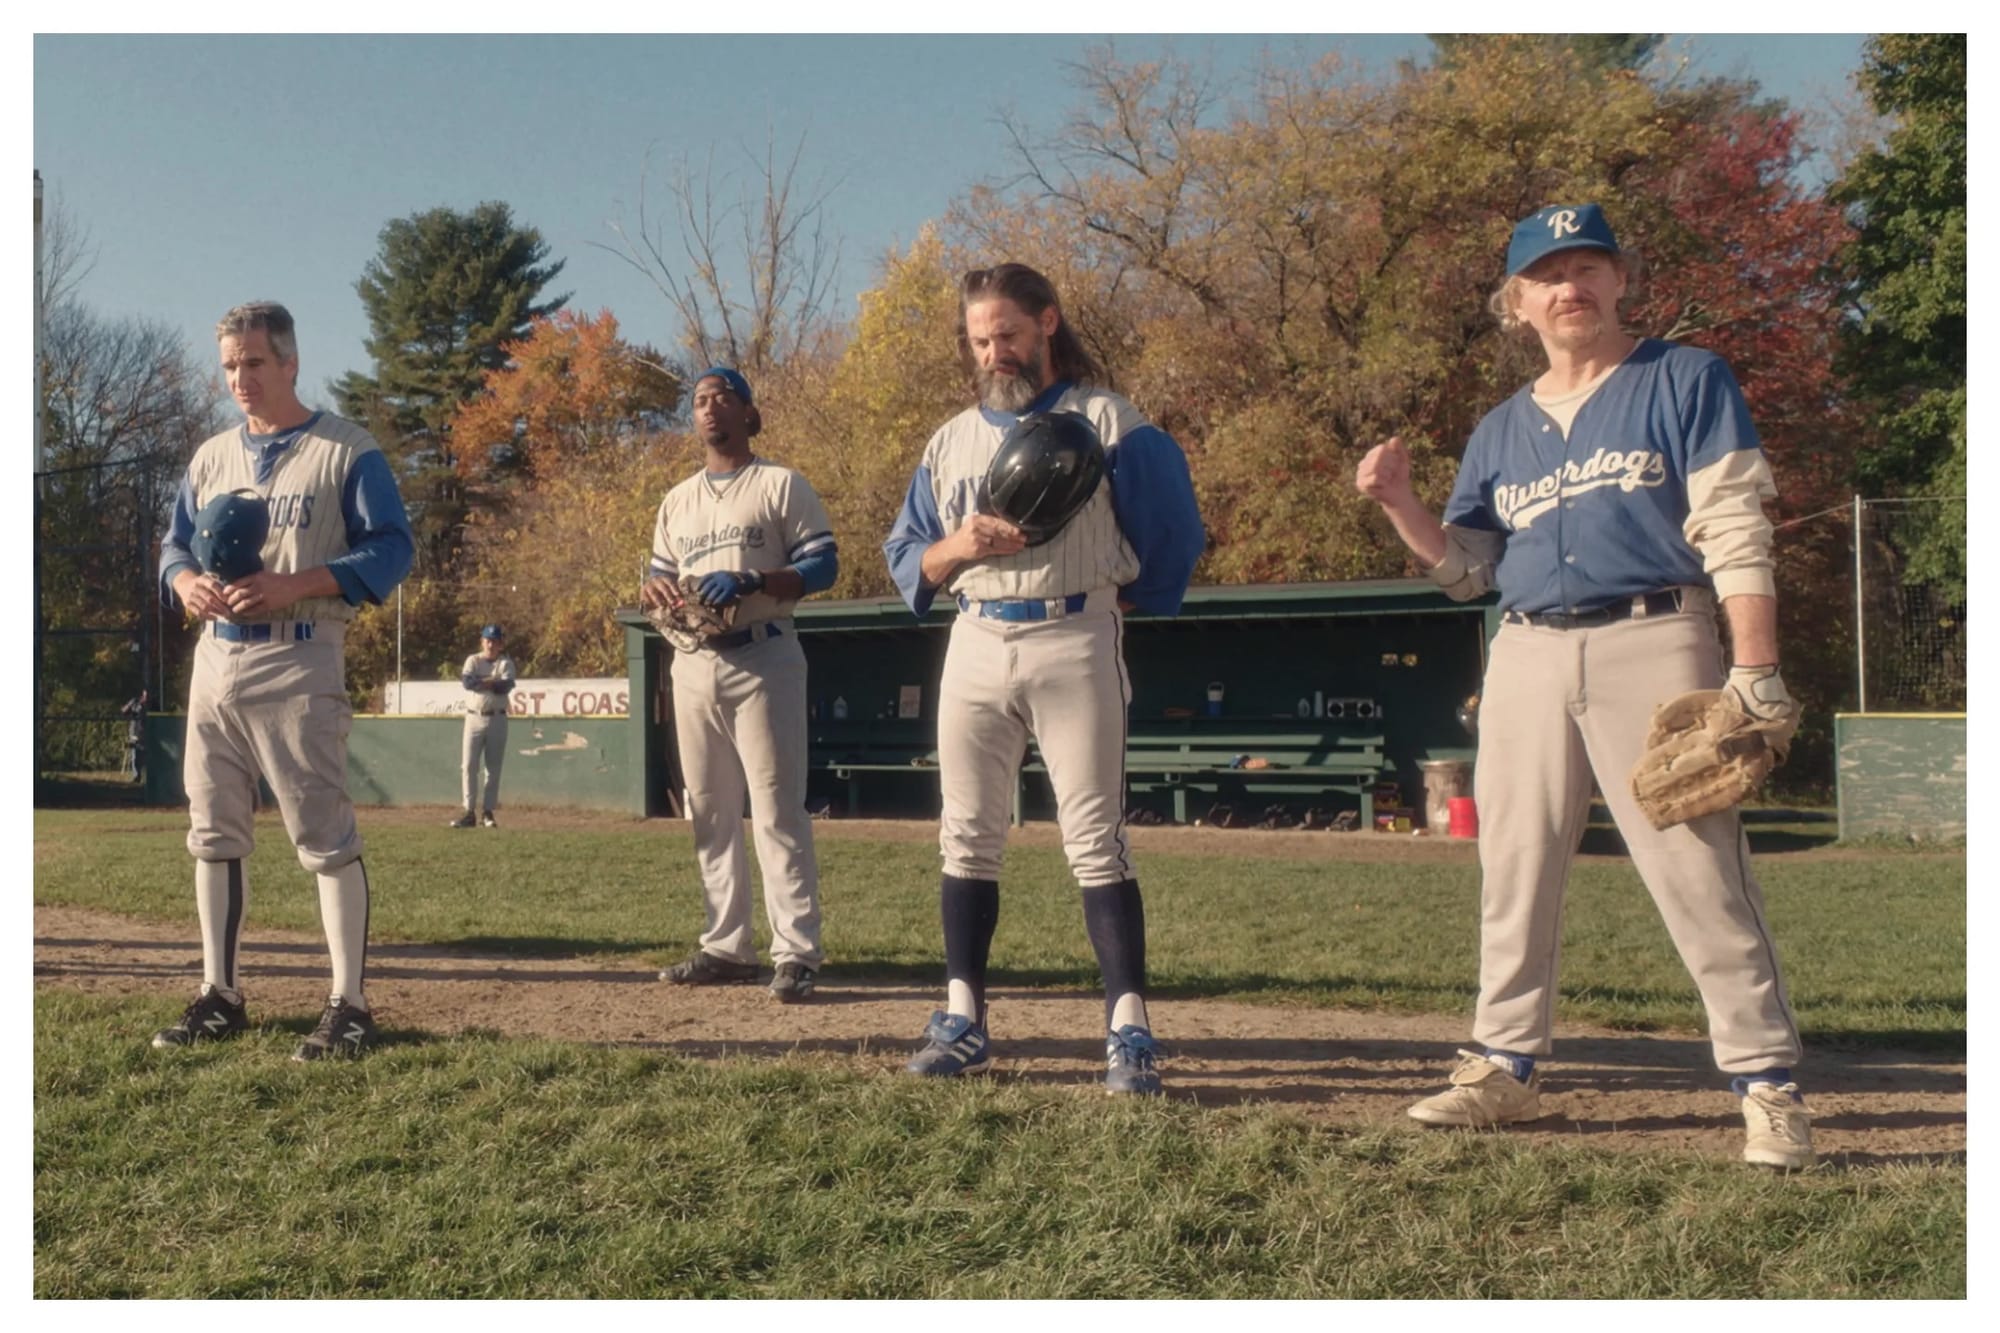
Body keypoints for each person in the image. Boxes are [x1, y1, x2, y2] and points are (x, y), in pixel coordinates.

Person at [1354, 204, 1813, 1167]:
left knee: (1698, 864)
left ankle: (1766, 1081)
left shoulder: (1684, 377)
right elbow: (1468, 569)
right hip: (1525, 648)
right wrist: (1400, 504)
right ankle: (1504, 1065)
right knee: (1513, 863)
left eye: (1588, 267)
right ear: (1516, 303)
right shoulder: (1499, 428)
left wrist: (1754, 666)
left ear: (1619, 281)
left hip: (1656, 634)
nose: (1570, 286)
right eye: (1547, 274)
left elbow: (1735, 524)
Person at [882, 263, 1205, 1095]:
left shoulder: (1109, 420)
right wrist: (960, 547)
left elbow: (1175, 533)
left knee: (1095, 837)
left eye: (1009, 334)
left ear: (1048, 323)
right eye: (980, 339)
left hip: (1073, 631)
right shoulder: (950, 440)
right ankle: (962, 1018)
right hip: (976, 635)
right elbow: (907, 556)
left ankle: (1128, 1028)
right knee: (965, 833)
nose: (995, 352)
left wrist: (1112, 598)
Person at [152, 301, 414, 1061]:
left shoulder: (345, 449)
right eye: (230, 365)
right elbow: (173, 544)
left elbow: (393, 548)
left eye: (255, 362)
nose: (240, 377)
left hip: (300, 652)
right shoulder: (211, 456)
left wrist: (295, 584)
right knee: (212, 831)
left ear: (291, 363)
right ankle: (220, 994)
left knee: (323, 835)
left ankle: (350, 1005)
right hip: (217, 659)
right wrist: (185, 582)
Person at [640, 367, 839, 1004]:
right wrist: (655, 589)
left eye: (722, 397)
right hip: (693, 659)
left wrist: (755, 580)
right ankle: (726, 947)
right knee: (709, 809)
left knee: (777, 807)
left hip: (764, 654)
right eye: (699, 400)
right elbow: (657, 576)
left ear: (748, 413)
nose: (709, 407)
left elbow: (824, 564)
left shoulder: (780, 484)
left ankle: (796, 951)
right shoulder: (678, 500)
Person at [450, 623, 515, 828]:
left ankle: (488, 812)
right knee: (469, 765)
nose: (491, 644)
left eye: (495, 641)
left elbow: (505, 686)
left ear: (501, 644)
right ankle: (469, 812)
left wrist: (484, 682)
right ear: (482, 641)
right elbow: (468, 683)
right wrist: (491, 681)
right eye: (488, 640)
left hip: (497, 718)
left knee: (493, 768)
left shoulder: (505, 663)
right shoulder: (473, 660)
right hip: (474, 717)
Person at [119, 688, 149, 783]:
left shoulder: (150, 705)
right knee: (135, 755)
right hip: (135, 732)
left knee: (145, 755)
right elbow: (124, 711)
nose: (146, 697)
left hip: (146, 732)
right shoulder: (135, 703)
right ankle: (137, 776)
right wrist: (129, 705)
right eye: (145, 694)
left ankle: (147, 776)